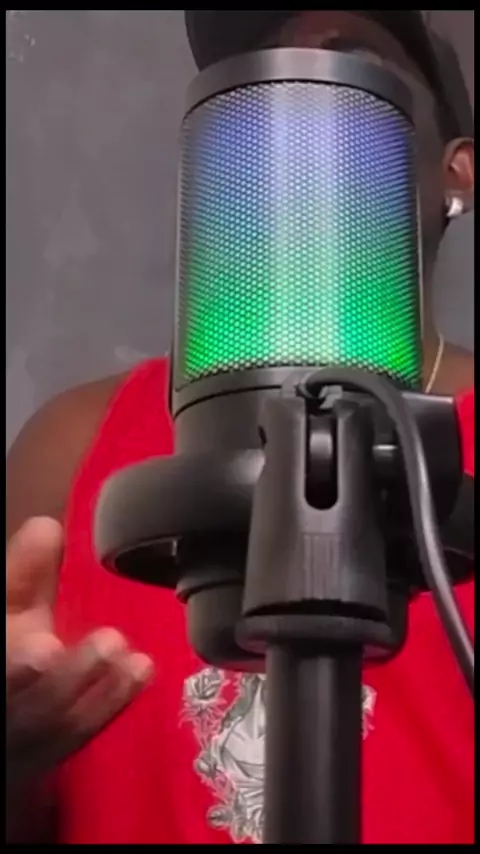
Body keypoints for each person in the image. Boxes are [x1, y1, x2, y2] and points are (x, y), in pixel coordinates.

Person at [6, 11, 474, 845]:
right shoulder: (71, 445)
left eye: (350, 65)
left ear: (456, 171)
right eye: (265, 71)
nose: (294, 98)